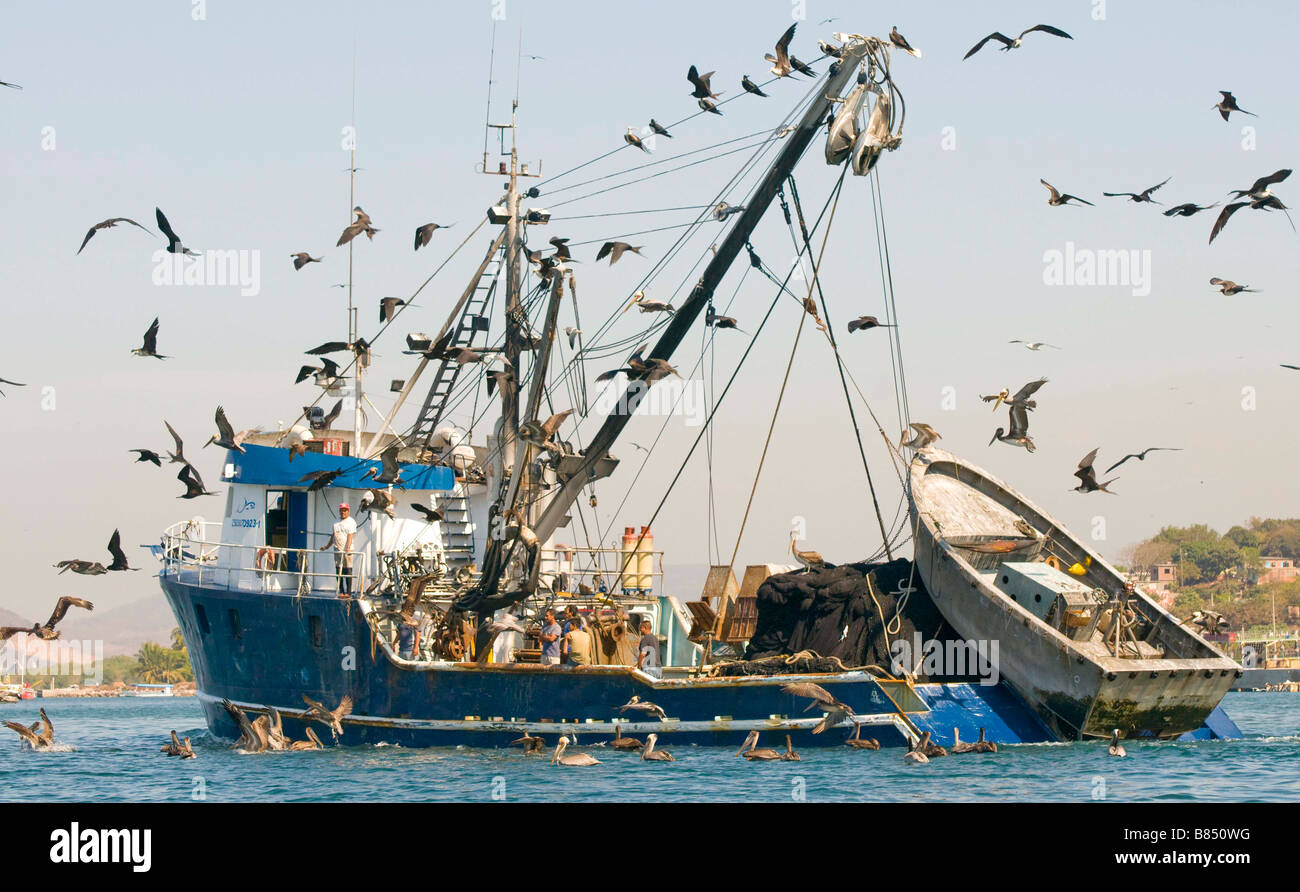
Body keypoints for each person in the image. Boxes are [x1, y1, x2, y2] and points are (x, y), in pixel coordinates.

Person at [320, 502, 357, 597]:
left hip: (347, 550)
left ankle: (348, 592)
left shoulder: (351, 522)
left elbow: (350, 535)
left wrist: (348, 548)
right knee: (338, 570)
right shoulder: (336, 522)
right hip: (337, 550)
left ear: (348, 511)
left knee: (348, 570)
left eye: (345, 510)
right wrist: (327, 546)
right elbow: (334, 536)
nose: (343, 512)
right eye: (341, 510)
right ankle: (341, 591)